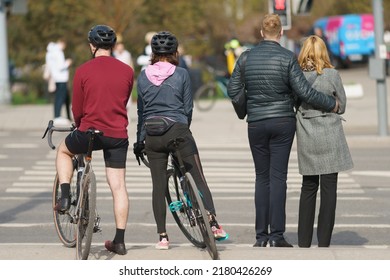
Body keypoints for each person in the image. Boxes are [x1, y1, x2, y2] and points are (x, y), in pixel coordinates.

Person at [227, 14, 338, 248]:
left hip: (256, 122)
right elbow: (305, 93)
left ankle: (261, 237)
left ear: (261, 33)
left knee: (261, 178)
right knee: (278, 178)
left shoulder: (246, 58)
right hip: (282, 123)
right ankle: (277, 235)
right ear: (280, 34)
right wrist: (331, 104)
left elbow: (233, 88)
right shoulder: (288, 58)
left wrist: (244, 109)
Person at [133, 31, 228, 250]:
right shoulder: (182, 74)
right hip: (177, 130)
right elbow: (187, 108)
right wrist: (184, 129)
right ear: (175, 52)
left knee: (158, 186)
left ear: (153, 53)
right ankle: (213, 223)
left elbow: (141, 111)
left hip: (152, 135)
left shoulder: (143, 75)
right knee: (197, 175)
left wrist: (140, 141)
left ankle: (163, 237)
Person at [54, 25, 134, 255]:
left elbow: (77, 108)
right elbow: (124, 100)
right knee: (118, 186)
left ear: (92, 45)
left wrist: (79, 122)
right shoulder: (127, 70)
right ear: (112, 46)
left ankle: (67, 196)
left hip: (89, 132)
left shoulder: (83, 70)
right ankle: (119, 241)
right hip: (118, 135)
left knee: (63, 151)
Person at [296, 35, 353, 248]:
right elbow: (343, 105)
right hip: (330, 133)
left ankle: (303, 241)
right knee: (329, 189)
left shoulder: (298, 75)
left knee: (308, 187)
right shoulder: (332, 74)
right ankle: (324, 241)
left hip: (307, 133)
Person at [45, 39, 72, 123]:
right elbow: (61, 66)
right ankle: (58, 116)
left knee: (57, 98)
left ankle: (57, 115)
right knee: (61, 97)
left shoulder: (50, 52)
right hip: (62, 78)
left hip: (56, 78)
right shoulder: (58, 52)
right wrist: (67, 63)